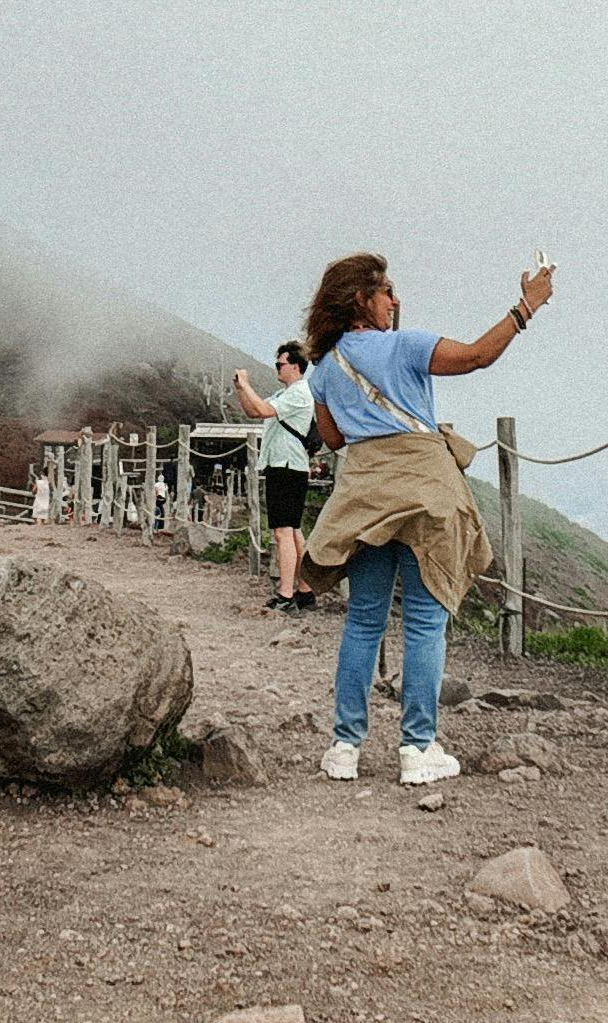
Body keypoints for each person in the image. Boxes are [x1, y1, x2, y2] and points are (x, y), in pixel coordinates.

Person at [300, 250, 555, 787]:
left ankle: (344, 747)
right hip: (426, 491)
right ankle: (417, 749)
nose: (395, 300)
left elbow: (334, 438)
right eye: (386, 291)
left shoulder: (323, 369)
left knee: (364, 619)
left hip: (366, 496)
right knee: (424, 622)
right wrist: (526, 306)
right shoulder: (406, 345)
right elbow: (477, 356)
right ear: (361, 301)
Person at [230, 342, 320, 612]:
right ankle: (305, 590)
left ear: (295, 365)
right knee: (292, 531)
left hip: (287, 466)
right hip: (285, 465)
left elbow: (266, 411)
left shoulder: (299, 393)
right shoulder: (286, 394)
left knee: (282, 532)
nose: (276, 368)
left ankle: (286, 595)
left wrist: (246, 384)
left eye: (280, 364)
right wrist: (240, 389)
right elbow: (254, 410)